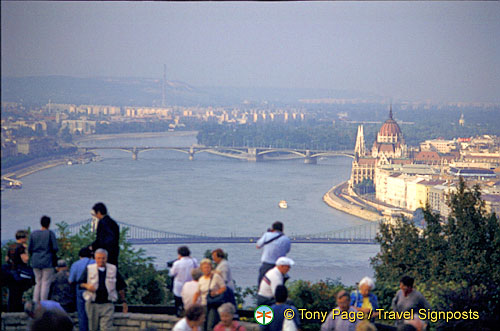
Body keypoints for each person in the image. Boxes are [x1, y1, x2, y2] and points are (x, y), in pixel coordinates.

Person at [79, 248, 128, 331]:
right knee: (92, 327)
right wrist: (87, 286)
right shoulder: (89, 269)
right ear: (95, 258)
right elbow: (80, 283)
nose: (101, 260)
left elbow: (120, 287)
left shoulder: (113, 269)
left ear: (106, 258)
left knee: (106, 328)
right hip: (92, 303)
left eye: (103, 258)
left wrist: (124, 302)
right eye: (98, 258)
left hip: (107, 304)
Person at [29, 216, 58, 302]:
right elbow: (55, 248)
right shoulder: (50, 234)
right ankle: (43, 302)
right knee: (46, 282)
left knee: (38, 282)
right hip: (47, 260)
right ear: (49, 224)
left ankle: (35, 302)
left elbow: (30, 248)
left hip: (35, 261)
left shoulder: (33, 234)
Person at [3, 230, 33, 312]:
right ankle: (18, 308)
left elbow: (7, 259)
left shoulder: (11, 246)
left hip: (11, 272)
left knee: (12, 292)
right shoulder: (21, 247)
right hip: (20, 272)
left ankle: (10, 309)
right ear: (23, 238)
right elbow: (25, 260)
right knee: (18, 292)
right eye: (26, 237)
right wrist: (26, 250)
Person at [193, 258, 227, 331]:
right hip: (203, 304)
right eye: (205, 267)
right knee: (202, 325)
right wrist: (194, 304)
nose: (206, 269)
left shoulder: (216, 277)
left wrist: (216, 292)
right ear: (201, 269)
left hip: (213, 304)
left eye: (208, 267)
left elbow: (223, 287)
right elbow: (197, 293)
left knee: (210, 325)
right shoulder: (201, 279)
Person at [256, 222, 291, 286]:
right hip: (280, 267)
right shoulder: (286, 239)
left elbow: (258, 246)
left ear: (272, 229)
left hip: (267, 265)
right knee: (278, 288)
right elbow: (287, 251)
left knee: (262, 287)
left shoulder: (267, 235)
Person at [69, 247, 95, 331]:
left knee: (82, 314)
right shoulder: (95, 263)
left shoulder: (75, 264)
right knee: (93, 313)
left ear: (80, 255)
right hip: (93, 289)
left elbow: (71, 280)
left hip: (80, 289)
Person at [170, 246, 199, 316]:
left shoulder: (177, 263)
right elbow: (198, 269)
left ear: (179, 254)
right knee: (188, 301)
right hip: (190, 285)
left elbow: (172, 273)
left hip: (179, 286)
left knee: (178, 301)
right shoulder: (193, 261)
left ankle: (178, 313)